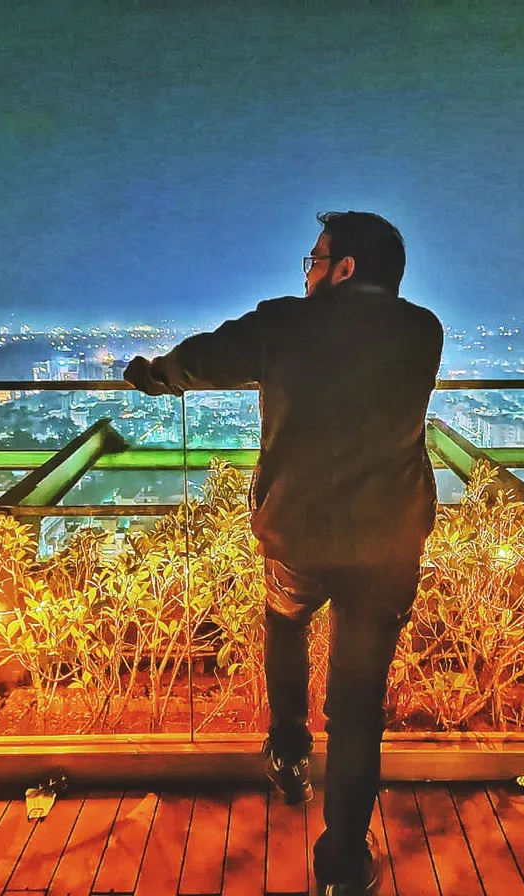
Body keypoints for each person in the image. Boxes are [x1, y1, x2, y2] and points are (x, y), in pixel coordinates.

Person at [124, 211, 443, 895]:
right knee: (359, 711)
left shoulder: (284, 325)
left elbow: (200, 361)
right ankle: (340, 871)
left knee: (287, 622)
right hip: (388, 543)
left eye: (315, 258)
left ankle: (289, 753)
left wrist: (155, 375)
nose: (306, 271)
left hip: (299, 533)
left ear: (344, 268)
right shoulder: (425, 331)